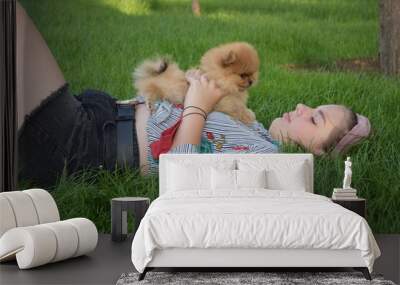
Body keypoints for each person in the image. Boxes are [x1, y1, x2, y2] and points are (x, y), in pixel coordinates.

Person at [16, 2, 371, 187]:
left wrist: (196, 108)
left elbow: (183, 176)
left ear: (321, 153)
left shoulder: (267, 157)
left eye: (316, 119)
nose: (302, 107)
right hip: (97, 122)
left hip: (86, 145)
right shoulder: (257, 136)